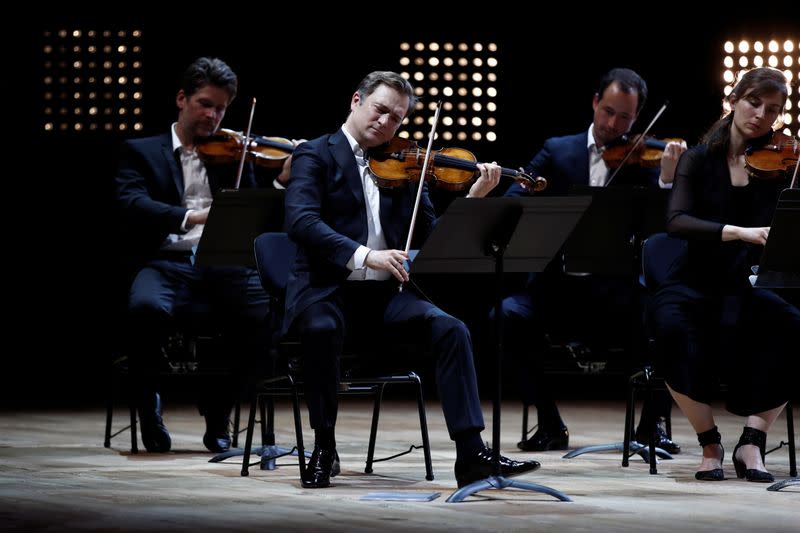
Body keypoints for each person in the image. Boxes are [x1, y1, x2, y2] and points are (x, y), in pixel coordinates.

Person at [283, 70, 539, 489]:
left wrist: (473, 198)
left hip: (383, 299)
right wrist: (367, 255)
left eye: (397, 118)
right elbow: (301, 221)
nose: (386, 123)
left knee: (451, 328)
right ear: (356, 100)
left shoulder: (405, 167)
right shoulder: (316, 154)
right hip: (326, 290)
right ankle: (324, 447)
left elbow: (431, 241)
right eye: (380, 110)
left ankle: (471, 454)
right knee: (321, 328)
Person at [470, 67, 686, 453]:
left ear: (637, 118)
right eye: (607, 111)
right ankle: (550, 423)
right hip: (557, 288)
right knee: (503, 317)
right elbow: (510, 203)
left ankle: (651, 425)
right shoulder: (557, 151)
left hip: (616, 290)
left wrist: (667, 177)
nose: (613, 123)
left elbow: (669, 220)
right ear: (594, 102)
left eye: (625, 117)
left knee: (671, 317)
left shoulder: (649, 160)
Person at [115, 57, 289, 453]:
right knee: (144, 308)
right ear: (182, 98)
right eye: (205, 104)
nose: (213, 115)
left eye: (221, 108)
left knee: (265, 315)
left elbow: (263, 208)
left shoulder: (234, 155)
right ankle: (148, 404)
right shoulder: (140, 151)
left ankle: (218, 410)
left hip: (221, 263)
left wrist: (281, 178)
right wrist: (193, 215)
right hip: (164, 262)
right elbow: (131, 202)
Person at [651, 67, 799, 482]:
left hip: (744, 283)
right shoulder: (698, 160)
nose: (760, 115)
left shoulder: (780, 166)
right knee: (669, 325)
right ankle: (710, 443)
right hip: (692, 280)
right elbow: (676, 221)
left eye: (772, 110)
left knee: (792, 325)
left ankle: (753, 440)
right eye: (754, 102)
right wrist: (738, 232)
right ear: (734, 100)